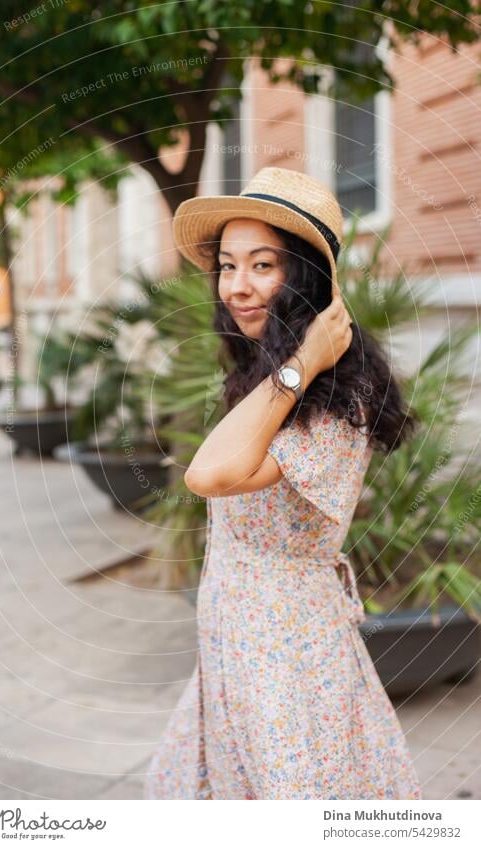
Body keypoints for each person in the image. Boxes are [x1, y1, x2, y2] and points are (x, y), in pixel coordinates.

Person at [143, 166, 422, 800]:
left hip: (286, 659)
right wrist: (291, 367)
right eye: (228, 265)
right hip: (235, 646)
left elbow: (209, 474)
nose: (238, 287)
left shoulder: (332, 403)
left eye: (263, 266)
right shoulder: (267, 378)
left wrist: (305, 363)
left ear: (303, 277)